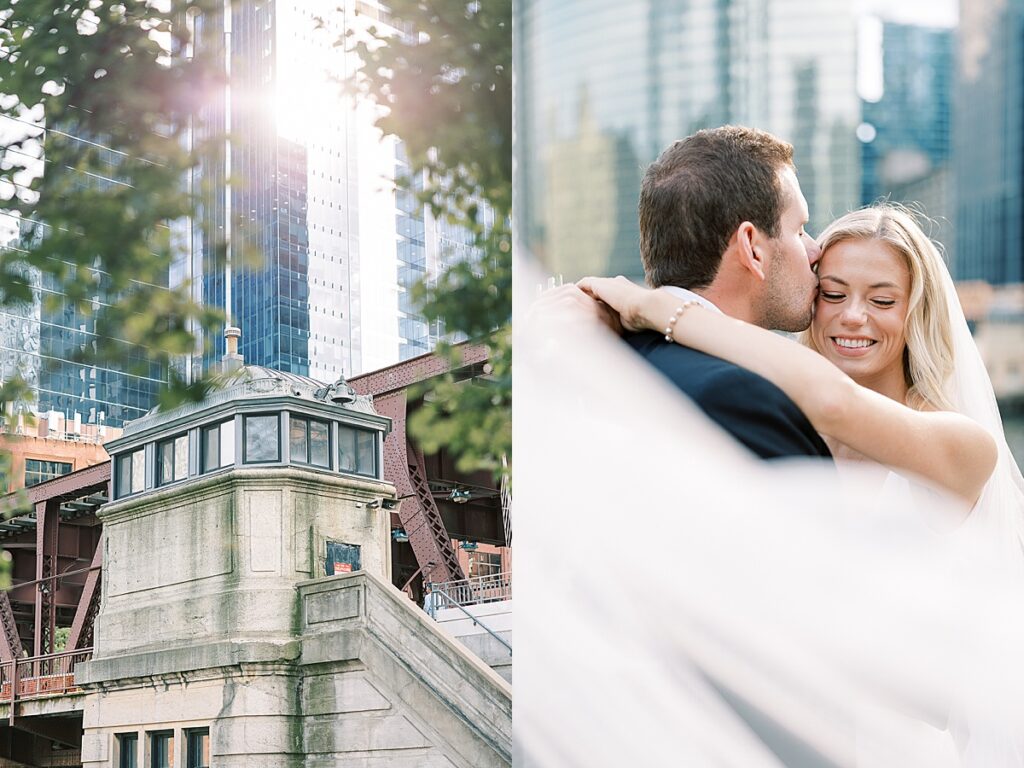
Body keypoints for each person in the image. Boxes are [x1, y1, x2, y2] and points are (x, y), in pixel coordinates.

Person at [578, 204, 1005, 509]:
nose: (853, 316)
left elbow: (837, 403)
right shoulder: (771, 419)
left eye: (882, 301)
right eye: (833, 294)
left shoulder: (967, 445)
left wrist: (653, 307)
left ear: (916, 313)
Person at [619, 126, 832, 459]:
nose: (815, 250)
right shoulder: (740, 397)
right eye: (800, 230)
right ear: (752, 247)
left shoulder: (615, 358)